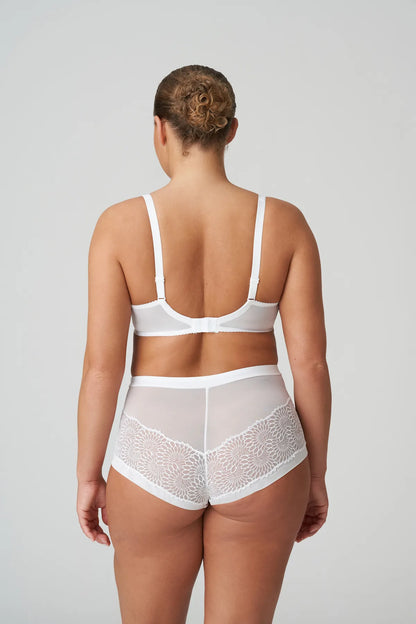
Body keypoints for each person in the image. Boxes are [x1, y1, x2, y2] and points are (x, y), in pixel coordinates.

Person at [76, 64, 331, 624]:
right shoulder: (284, 222)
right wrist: (315, 475)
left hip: (155, 443)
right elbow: (311, 365)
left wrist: (89, 475)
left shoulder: (119, 224)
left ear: (159, 129)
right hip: (261, 440)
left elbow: (101, 369)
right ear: (232, 129)